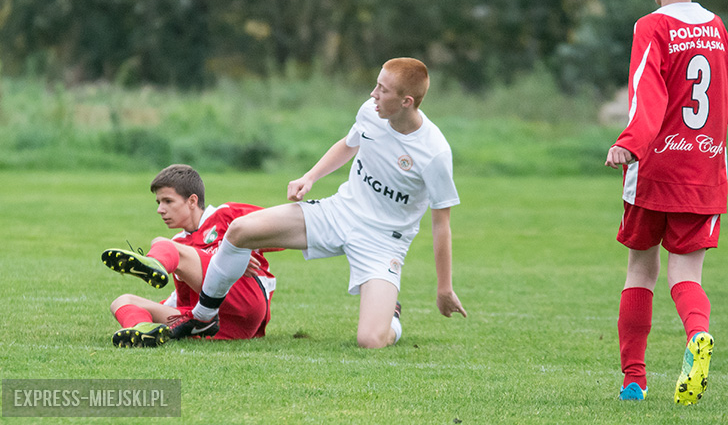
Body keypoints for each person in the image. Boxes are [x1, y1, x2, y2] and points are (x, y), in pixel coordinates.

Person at [167, 57, 467, 348]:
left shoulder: (434, 153)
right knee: (239, 230)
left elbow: (442, 225)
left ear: (407, 102)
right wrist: (310, 177)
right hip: (339, 213)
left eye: (383, 90)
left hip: (383, 242)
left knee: (371, 341)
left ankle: (393, 317)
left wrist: (444, 288)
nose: (373, 94)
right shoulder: (371, 112)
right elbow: (349, 144)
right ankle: (204, 317)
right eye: (376, 85)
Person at [605, 0, 728, 404]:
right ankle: (696, 335)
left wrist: (629, 143)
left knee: (641, 271)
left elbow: (648, 94)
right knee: (687, 276)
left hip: (655, 171)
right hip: (703, 173)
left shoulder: (653, 26)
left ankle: (634, 382)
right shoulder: (717, 28)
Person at [103, 164, 280, 347]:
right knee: (122, 301)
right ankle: (142, 330)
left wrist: (238, 255)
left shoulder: (226, 215)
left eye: (168, 201)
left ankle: (154, 263)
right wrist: (157, 312)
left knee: (162, 243)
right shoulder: (178, 244)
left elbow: (281, 231)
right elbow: (184, 298)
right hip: (213, 324)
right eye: (159, 203)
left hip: (245, 302)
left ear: (192, 201)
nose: (160, 210)